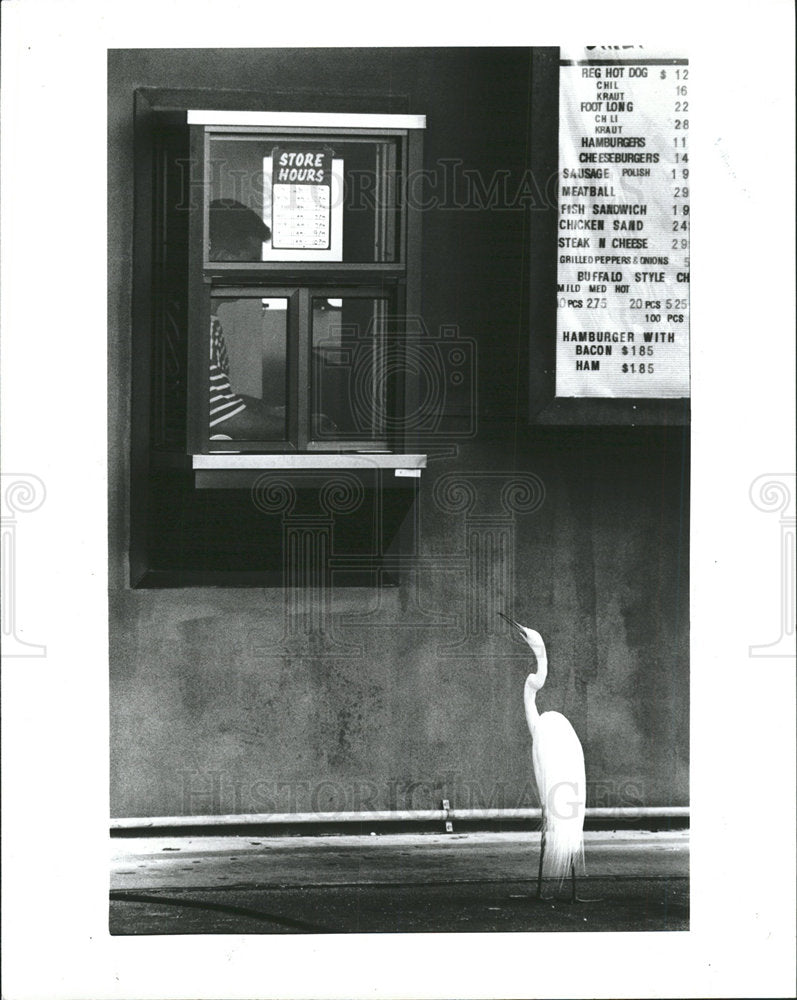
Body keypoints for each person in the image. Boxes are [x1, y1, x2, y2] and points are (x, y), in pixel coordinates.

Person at [207, 200, 284, 440]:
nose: (256, 273)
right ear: (220, 259)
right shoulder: (201, 328)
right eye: (251, 261)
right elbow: (224, 419)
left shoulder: (207, 320)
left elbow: (216, 400)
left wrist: (268, 411)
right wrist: (303, 428)